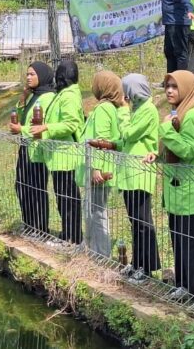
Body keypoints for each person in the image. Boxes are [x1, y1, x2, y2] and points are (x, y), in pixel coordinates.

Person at [145, 70, 194, 311]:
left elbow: (188, 150)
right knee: (181, 241)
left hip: (193, 193)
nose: (169, 91)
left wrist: (164, 130)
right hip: (178, 193)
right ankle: (187, 285)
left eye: (175, 87)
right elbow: (174, 152)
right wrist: (158, 154)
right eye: (167, 86)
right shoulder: (178, 113)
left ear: (186, 89)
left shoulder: (193, 116)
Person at [30, 61, 84, 245]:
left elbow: (71, 123)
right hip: (57, 156)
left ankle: (73, 238)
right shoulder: (62, 94)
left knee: (68, 199)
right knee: (63, 199)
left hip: (65, 156)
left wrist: (46, 128)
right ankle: (67, 233)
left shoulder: (69, 96)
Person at [116, 74, 161, 285]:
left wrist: (123, 111)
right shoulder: (138, 108)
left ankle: (147, 268)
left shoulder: (148, 110)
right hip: (129, 174)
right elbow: (124, 138)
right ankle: (136, 263)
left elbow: (130, 134)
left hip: (140, 172)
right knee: (135, 222)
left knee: (143, 222)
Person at [78, 70, 124, 257]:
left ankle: (102, 255)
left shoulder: (104, 109)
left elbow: (101, 139)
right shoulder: (107, 108)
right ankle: (91, 250)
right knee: (91, 211)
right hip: (96, 168)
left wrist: (97, 167)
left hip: (98, 172)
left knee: (97, 213)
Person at [10, 62, 55, 234]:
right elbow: (21, 118)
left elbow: (40, 125)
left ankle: (40, 227)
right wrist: (22, 100)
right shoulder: (32, 96)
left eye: (32, 74)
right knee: (22, 186)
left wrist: (21, 129)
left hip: (37, 150)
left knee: (36, 189)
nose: (28, 77)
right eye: (27, 74)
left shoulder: (47, 97)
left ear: (42, 76)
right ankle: (28, 223)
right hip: (25, 147)